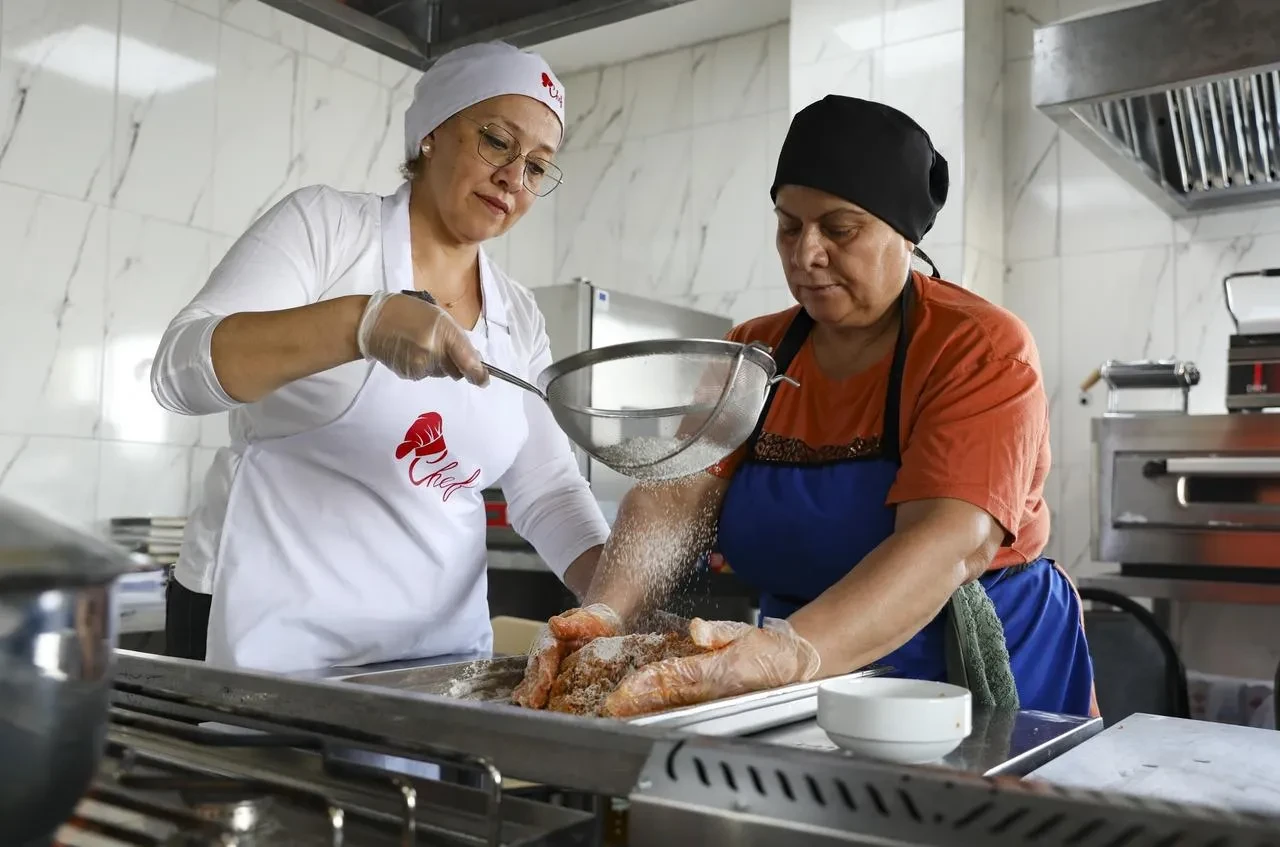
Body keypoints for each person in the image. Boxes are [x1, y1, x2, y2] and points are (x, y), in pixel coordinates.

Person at [513, 95, 1097, 718]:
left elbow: (948, 541)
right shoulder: (753, 351)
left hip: (970, 672)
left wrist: (790, 654)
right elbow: (673, 498)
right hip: (799, 672)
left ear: (903, 234)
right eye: (789, 226)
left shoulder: (976, 346)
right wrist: (608, 613)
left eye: (840, 230)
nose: (806, 253)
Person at [151, 41, 609, 673]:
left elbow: (549, 489)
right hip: (270, 640)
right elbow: (179, 371)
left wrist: (622, 602)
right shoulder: (329, 230)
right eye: (498, 141)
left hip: (437, 662)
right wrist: (360, 323)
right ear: (431, 133)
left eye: (537, 166)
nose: (514, 177)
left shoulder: (518, 316)